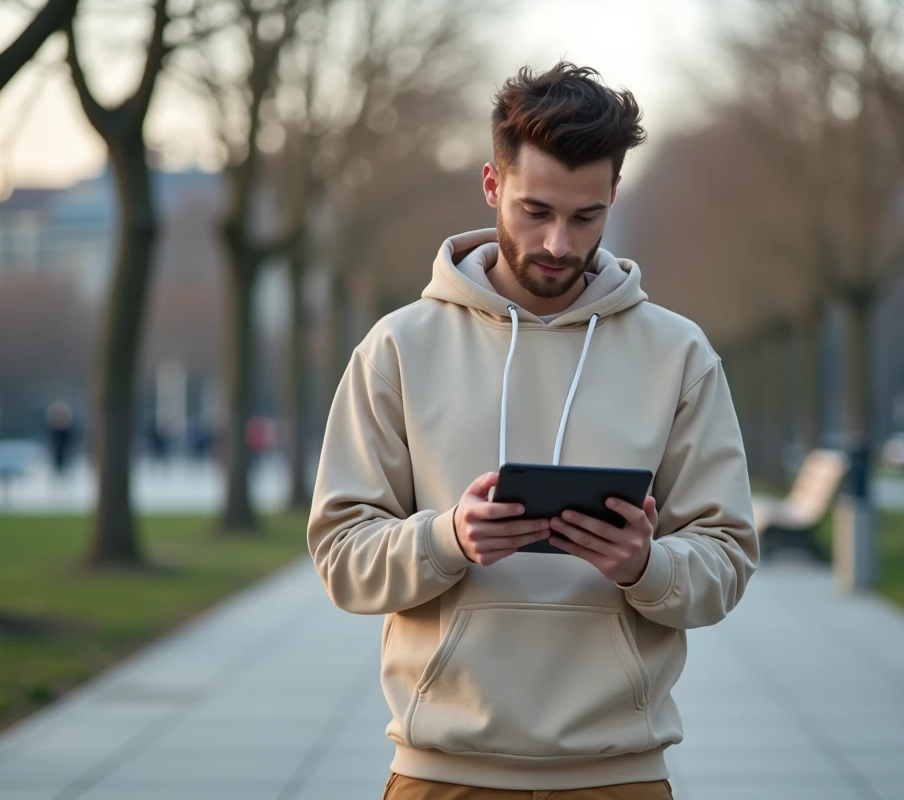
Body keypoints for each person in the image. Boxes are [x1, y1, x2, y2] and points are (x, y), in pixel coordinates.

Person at [307, 62, 759, 799]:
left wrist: (645, 566)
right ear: (492, 186)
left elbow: (728, 560)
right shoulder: (398, 347)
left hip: (619, 776)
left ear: (615, 194)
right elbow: (340, 554)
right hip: (440, 774)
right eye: (534, 210)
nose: (557, 243)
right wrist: (447, 538)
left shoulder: (679, 355)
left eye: (586, 217)